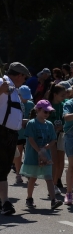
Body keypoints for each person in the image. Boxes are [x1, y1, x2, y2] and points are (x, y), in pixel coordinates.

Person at [21, 100, 62, 210]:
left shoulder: (49, 124)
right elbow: (31, 139)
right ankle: (29, 198)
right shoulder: (32, 123)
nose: (47, 114)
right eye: (45, 111)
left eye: (49, 112)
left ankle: (53, 200)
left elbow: (53, 139)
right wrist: (39, 151)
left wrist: (46, 148)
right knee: (33, 178)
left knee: (49, 178)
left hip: (45, 156)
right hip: (33, 155)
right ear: (38, 110)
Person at [0, 62, 29, 215]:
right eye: (24, 78)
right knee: (1, 169)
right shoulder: (2, 82)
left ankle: (3, 202)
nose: (24, 81)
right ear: (19, 75)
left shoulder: (13, 89)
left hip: (10, 134)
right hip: (1, 132)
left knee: (3, 169)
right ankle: (5, 202)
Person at [48, 84, 67, 193]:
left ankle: (57, 180)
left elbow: (66, 120)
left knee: (60, 161)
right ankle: (52, 184)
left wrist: (62, 126)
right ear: (55, 94)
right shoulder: (48, 105)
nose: (64, 97)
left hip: (61, 134)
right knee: (54, 161)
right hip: (51, 136)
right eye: (62, 95)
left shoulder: (64, 105)